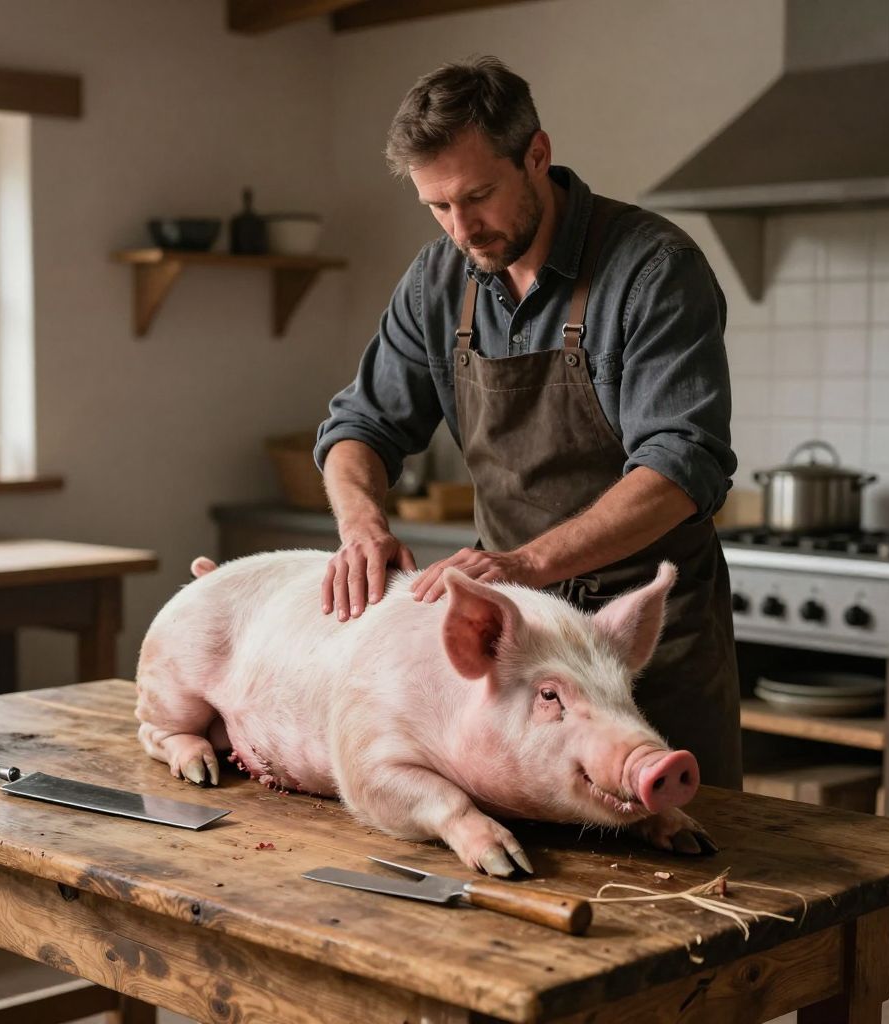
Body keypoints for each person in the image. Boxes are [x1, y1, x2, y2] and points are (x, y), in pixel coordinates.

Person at [313, 56, 741, 790]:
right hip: (514, 657)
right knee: (509, 874)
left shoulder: (654, 270)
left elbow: (680, 465)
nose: (462, 229)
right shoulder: (436, 282)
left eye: (477, 196)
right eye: (438, 207)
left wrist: (523, 565)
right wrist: (361, 526)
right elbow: (360, 426)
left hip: (643, 636)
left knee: (688, 875)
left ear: (536, 155)